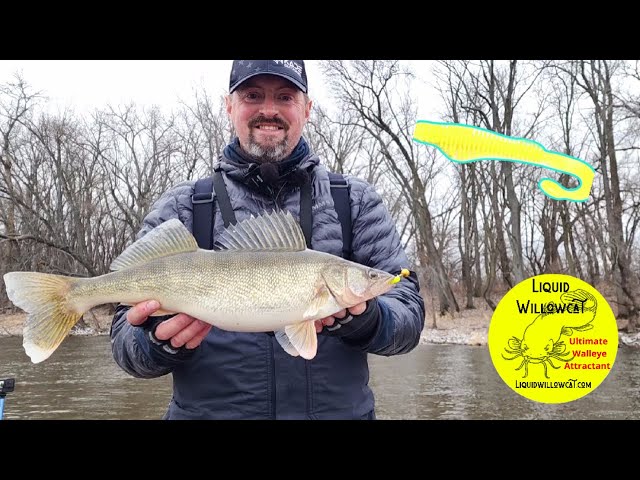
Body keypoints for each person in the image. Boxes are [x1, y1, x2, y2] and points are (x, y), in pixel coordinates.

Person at [110, 60, 426, 420]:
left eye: (285, 96)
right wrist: (155, 344)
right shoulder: (182, 207)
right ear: (229, 106)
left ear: (307, 109)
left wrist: (371, 321)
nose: (269, 110)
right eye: (253, 95)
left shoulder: (354, 201)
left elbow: (409, 314)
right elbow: (124, 346)